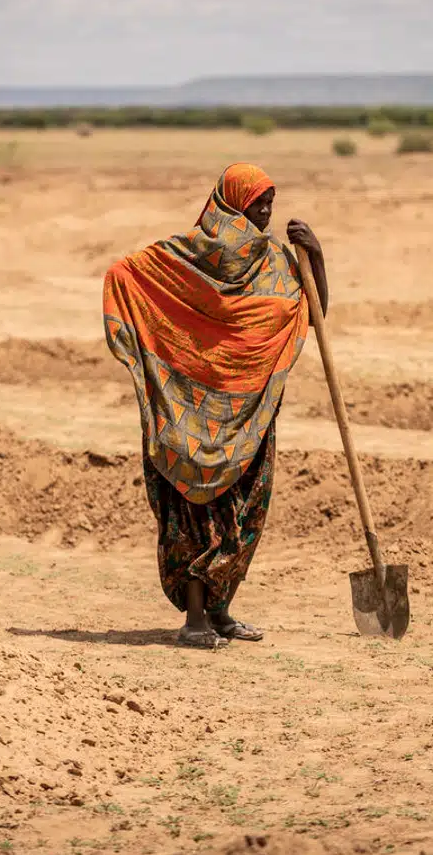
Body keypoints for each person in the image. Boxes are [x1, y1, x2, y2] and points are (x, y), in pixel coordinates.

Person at [103, 163, 329, 649]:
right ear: (231, 205)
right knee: (193, 515)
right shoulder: (186, 256)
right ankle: (195, 621)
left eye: (271, 202)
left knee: (244, 510)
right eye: (257, 204)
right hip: (190, 412)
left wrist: (317, 257)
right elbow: (125, 274)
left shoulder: (276, 261)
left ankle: (222, 611)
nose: (267, 213)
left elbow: (314, 313)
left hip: (251, 414)